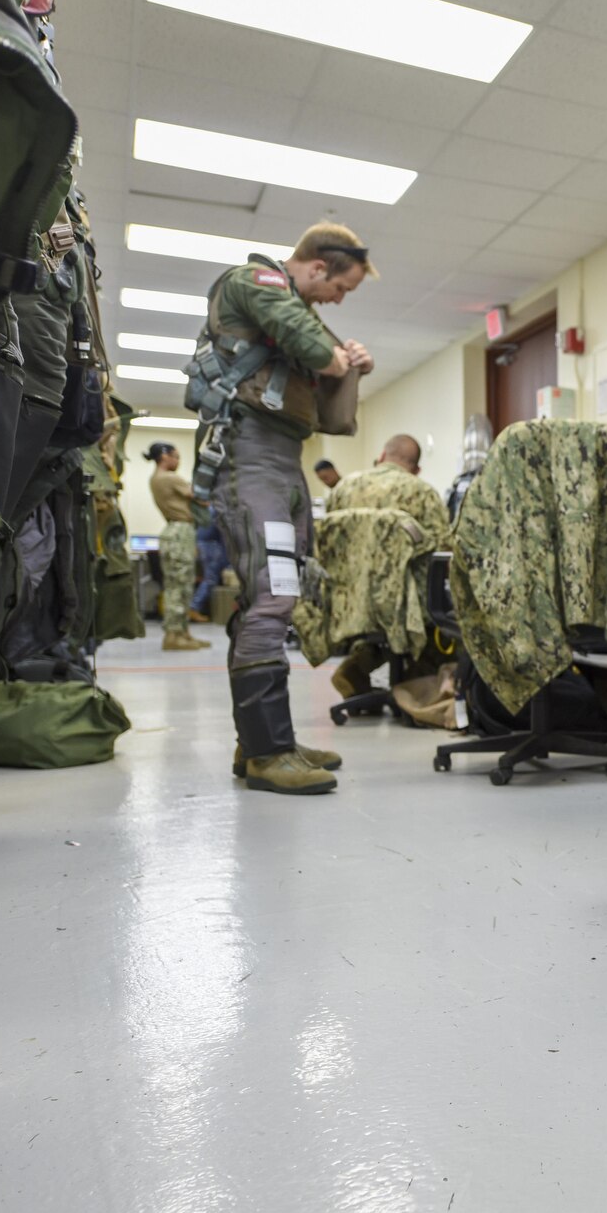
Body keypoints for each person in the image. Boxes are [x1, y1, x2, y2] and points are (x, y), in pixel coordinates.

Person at [194, 221, 377, 795]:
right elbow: (316, 350)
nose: (337, 300)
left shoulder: (294, 307)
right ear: (318, 265)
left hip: (280, 459)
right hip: (249, 455)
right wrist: (336, 356)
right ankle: (268, 752)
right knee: (271, 598)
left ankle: (261, 742)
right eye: (340, 287)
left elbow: (332, 412)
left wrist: (352, 365)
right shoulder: (257, 281)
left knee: (275, 593)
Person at [323, 433, 451, 699]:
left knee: (377, 621)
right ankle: (413, 686)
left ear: (381, 457)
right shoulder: (422, 492)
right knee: (441, 619)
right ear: (416, 469)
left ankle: (355, 668)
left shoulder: (342, 489)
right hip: (401, 605)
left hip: (346, 601)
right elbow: (444, 551)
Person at [144, 441, 208, 651]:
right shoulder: (168, 478)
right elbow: (200, 498)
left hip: (177, 532)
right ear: (165, 457)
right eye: (176, 456)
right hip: (180, 531)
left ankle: (182, 633)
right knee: (178, 587)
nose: (177, 461)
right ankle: (173, 635)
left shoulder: (155, 479)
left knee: (182, 585)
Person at [191, 515, 230, 623]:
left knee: (209, 578)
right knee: (210, 579)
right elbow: (225, 532)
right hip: (212, 545)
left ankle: (195, 607)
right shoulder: (219, 507)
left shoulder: (211, 509)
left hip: (204, 543)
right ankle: (194, 607)